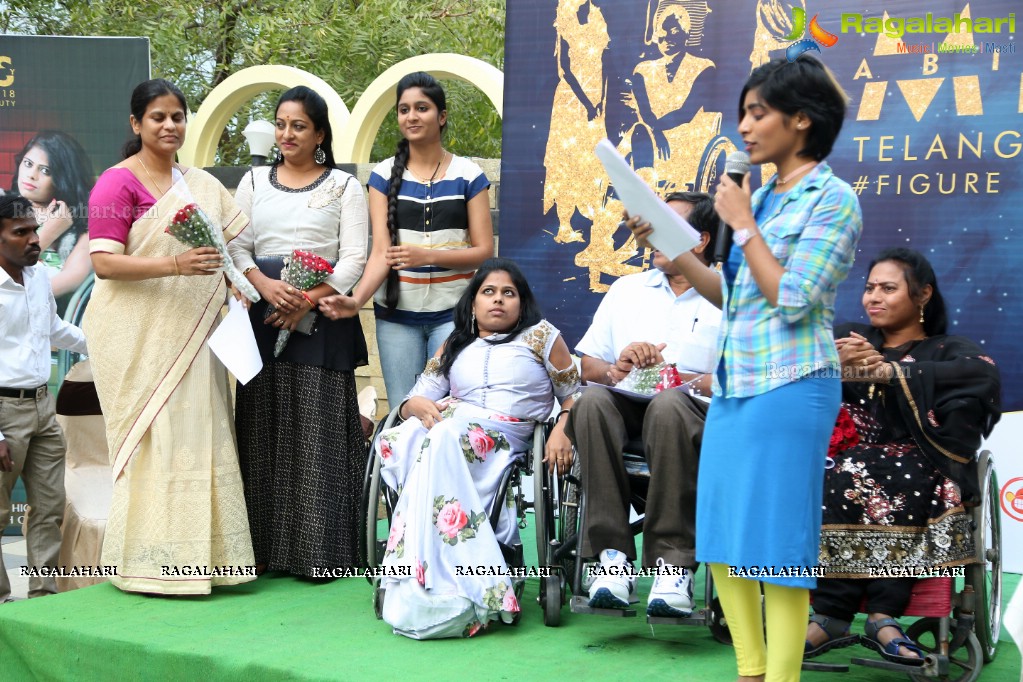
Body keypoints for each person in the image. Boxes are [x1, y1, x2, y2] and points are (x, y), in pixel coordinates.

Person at [627, 56, 861, 681]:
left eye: (759, 113)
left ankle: (780, 678)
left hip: (791, 387)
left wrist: (743, 224)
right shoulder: (761, 199)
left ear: (803, 120)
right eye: (744, 113)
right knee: (724, 541)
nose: (745, 127)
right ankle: (749, 671)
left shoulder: (832, 199)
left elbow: (792, 296)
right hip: (736, 385)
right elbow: (725, 291)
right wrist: (667, 240)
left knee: (779, 550)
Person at [84, 78, 255, 595]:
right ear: (137, 124)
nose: (169, 126)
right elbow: (104, 264)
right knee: (157, 438)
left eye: (177, 117)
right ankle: (147, 565)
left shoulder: (199, 183)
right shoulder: (117, 183)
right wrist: (175, 264)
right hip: (140, 339)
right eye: (157, 117)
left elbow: (226, 254)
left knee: (200, 433)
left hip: (197, 338)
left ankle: (206, 562)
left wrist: (237, 286)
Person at [804, 248, 1001, 664]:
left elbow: (982, 373)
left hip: (917, 461)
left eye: (888, 288)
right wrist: (828, 365)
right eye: (870, 287)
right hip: (841, 456)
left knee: (890, 468)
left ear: (923, 294)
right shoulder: (848, 338)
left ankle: (883, 616)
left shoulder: (946, 349)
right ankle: (830, 613)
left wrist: (892, 372)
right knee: (829, 465)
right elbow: (784, 371)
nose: (873, 297)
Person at [374, 258, 578, 639]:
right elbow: (418, 398)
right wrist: (409, 407)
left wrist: (562, 429)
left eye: (508, 293)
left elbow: (573, 396)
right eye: (488, 292)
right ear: (472, 304)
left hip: (505, 435)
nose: (497, 300)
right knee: (402, 437)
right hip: (452, 426)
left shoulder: (542, 336)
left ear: (522, 302)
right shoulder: (456, 342)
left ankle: (470, 581)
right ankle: (420, 573)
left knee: (440, 438)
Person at [227, 85, 369, 576]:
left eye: (299, 126)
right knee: (261, 426)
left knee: (317, 431)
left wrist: (308, 298)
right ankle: (262, 552)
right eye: (281, 124)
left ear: (320, 134)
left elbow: (354, 256)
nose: (287, 134)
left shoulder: (344, 187)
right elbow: (237, 248)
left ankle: (320, 555)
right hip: (262, 315)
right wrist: (266, 286)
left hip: (322, 319)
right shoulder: (251, 180)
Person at [566, 192, 721, 616]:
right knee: (591, 404)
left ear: (700, 240)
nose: (651, 234)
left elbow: (745, 374)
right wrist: (617, 369)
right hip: (628, 408)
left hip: (696, 419)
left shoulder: (726, 296)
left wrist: (677, 376)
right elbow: (588, 365)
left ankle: (673, 566)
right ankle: (612, 560)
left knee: (669, 404)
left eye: (665, 225)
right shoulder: (627, 288)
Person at [318, 72, 494, 409]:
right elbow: (381, 253)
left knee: (447, 409)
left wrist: (424, 255)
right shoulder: (383, 176)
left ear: (441, 117)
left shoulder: (469, 175)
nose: (411, 116)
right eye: (404, 109)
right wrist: (355, 301)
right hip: (396, 317)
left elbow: (484, 253)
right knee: (404, 409)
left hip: (453, 315)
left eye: (422, 108)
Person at [0, 194, 88, 603]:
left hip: (42, 407)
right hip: (4, 415)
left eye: (34, 230)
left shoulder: (35, 276)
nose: (35, 239)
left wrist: (102, 346)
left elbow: (54, 328)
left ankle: (44, 598)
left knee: (49, 509)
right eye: (21, 233)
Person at [543, 0, 609, 244]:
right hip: (571, 103)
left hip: (595, 98)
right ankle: (564, 225)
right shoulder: (565, 26)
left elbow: (604, 61)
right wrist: (588, 104)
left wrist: (601, 98)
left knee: (592, 161)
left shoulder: (598, 19)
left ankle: (594, 223)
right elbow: (566, 72)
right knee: (566, 163)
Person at [9, 131, 95, 314]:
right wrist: (48, 231)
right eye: (28, 164)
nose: (31, 175)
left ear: (62, 179)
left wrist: (21, 300)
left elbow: (73, 278)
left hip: (51, 317)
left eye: (45, 170)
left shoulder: (83, 225)